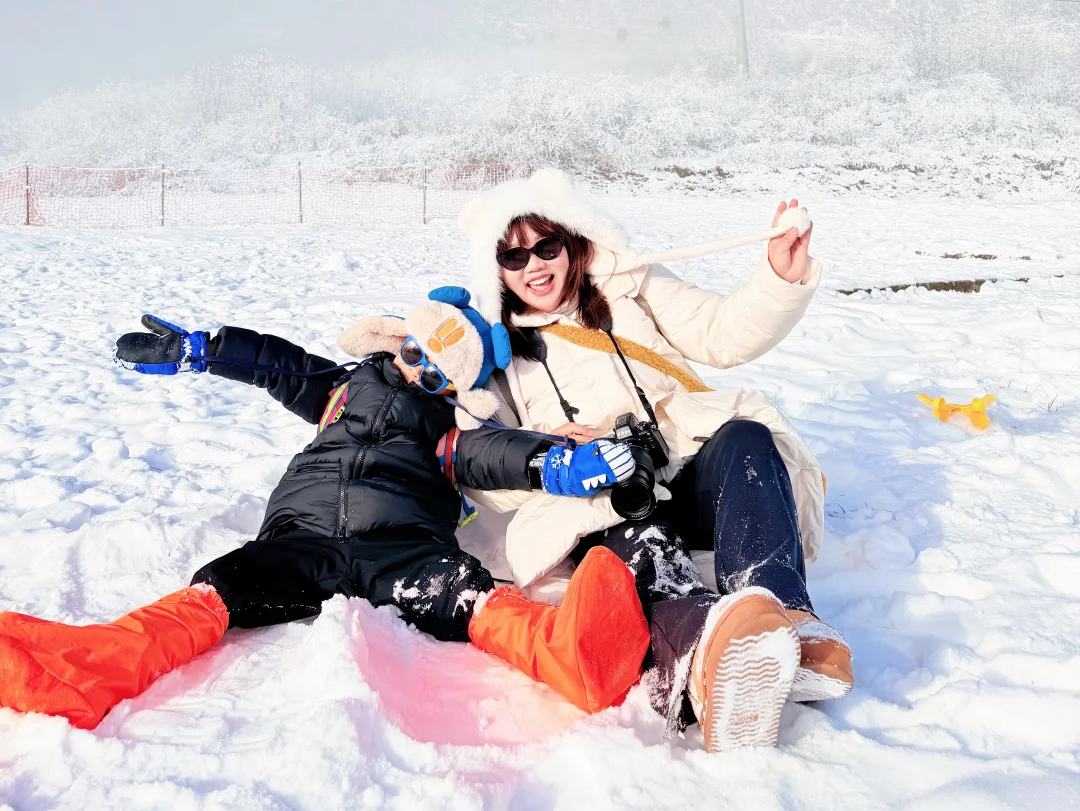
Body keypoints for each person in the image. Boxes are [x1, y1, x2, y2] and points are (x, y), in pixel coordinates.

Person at [0, 289, 649, 730]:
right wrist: (206, 348)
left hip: (402, 546)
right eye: (416, 355)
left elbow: (496, 454)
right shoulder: (340, 389)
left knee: (462, 590)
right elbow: (279, 366)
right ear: (401, 343)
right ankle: (87, 668)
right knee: (224, 586)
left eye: (437, 374)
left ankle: (567, 654)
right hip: (301, 535)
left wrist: (562, 465)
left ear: (457, 386)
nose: (418, 374)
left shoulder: (448, 431)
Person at [456, 169, 853, 753]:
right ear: (495, 270)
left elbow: (720, 332)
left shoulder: (629, 287)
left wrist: (778, 278)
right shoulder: (494, 352)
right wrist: (546, 449)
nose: (534, 266)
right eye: (513, 257)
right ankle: (707, 655)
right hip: (607, 500)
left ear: (573, 241)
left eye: (546, 246)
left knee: (745, 437)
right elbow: (483, 469)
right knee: (634, 532)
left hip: (683, 467)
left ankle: (785, 619)